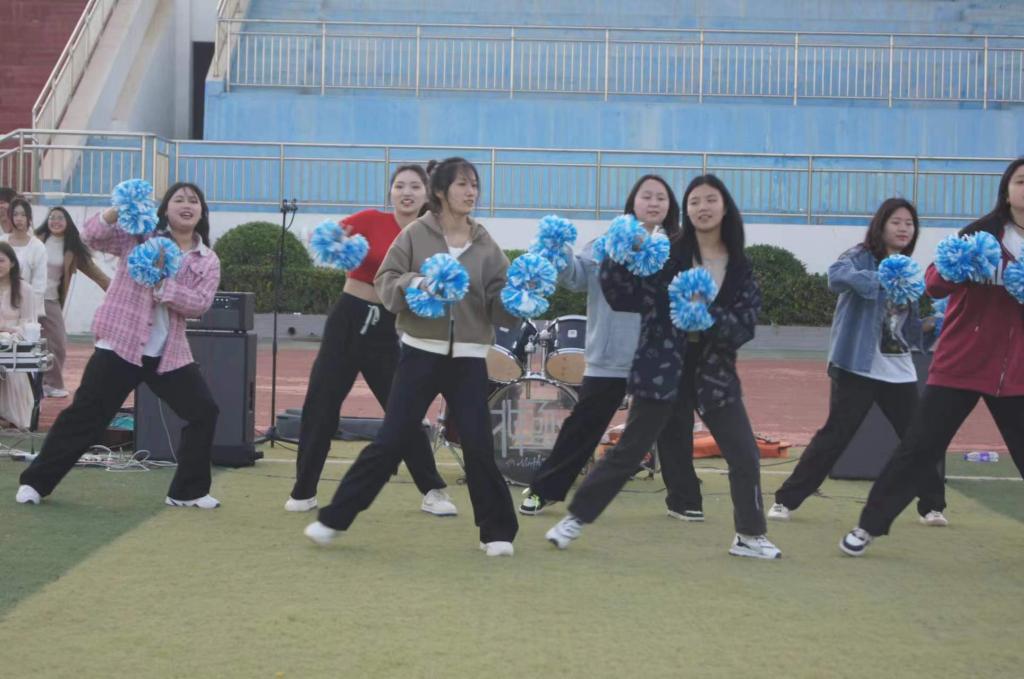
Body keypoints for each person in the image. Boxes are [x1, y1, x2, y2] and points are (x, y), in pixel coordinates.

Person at [546, 174, 782, 559]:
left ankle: (750, 535)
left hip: (713, 372)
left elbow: (745, 324)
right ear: (686, 210)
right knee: (629, 450)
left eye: (710, 200)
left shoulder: (739, 264)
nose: (702, 208)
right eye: (694, 202)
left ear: (725, 207)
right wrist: (617, 258)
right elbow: (625, 297)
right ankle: (575, 519)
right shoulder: (668, 254)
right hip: (662, 367)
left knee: (744, 452)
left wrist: (708, 318)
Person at [303, 157, 520, 556]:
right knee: (390, 441)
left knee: (478, 445)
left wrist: (518, 298)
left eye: (474, 184)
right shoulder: (415, 235)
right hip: (420, 354)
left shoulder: (486, 244)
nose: (471, 192)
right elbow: (386, 281)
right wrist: (419, 283)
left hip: (469, 358)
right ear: (440, 191)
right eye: (462, 184)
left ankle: (496, 533)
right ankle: (333, 519)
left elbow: (498, 304)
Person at [839, 157, 1024, 556]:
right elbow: (934, 285)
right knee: (919, 447)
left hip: (1017, 373)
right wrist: (958, 269)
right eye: (1021, 182)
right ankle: (868, 526)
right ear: (1006, 191)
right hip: (961, 364)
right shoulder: (979, 234)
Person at [16, 182, 223, 509]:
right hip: (119, 344)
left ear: (202, 211)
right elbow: (92, 236)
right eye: (178, 200)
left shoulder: (206, 259)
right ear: (165, 209)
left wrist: (164, 285)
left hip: (167, 354)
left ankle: (188, 492)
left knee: (204, 411)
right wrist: (119, 208)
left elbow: (200, 303)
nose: (187, 205)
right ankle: (35, 483)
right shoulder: (139, 236)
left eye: (194, 201)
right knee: (85, 416)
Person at [519, 174, 703, 521]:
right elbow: (577, 277)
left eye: (661, 198)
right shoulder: (606, 243)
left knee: (675, 426)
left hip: (661, 357)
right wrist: (558, 252)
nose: (653, 203)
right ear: (632, 202)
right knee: (583, 426)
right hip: (610, 356)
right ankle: (544, 490)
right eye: (646, 196)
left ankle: (685, 499)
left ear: (670, 207)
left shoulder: (679, 249)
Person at [286, 164, 455, 517]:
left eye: (415, 186)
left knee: (403, 409)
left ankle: (433, 490)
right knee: (321, 404)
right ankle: (304, 490)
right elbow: (322, 237)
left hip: (387, 329)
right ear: (390, 192)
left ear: (426, 194)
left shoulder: (430, 237)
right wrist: (335, 242)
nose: (406, 192)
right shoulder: (369, 220)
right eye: (399, 186)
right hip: (347, 320)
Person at [768, 198, 948, 526]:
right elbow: (835, 277)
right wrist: (881, 279)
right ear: (881, 225)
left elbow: (909, 329)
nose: (904, 228)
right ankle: (786, 500)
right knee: (836, 435)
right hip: (857, 366)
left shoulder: (909, 268)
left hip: (898, 371)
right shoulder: (858, 256)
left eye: (909, 223)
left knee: (918, 438)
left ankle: (932, 505)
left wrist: (935, 324)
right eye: (896, 222)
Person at [35, 207, 111, 398]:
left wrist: (116, 291)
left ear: (67, 222)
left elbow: (95, 273)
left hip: (50, 300)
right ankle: (27, 386)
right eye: (52, 217)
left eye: (60, 218)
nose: (55, 221)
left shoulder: (72, 249)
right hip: (28, 298)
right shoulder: (36, 239)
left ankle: (51, 384)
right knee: (25, 342)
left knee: (57, 343)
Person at [0, 241, 36, 429]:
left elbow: (29, 322)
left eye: (1, 261)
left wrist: (10, 330)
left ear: (12, 263)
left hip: (13, 342)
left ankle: (8, 415)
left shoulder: (25, 289)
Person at [2, 198, 47, 320]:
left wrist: (32, 314)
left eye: (23, 215)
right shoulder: (2, 241)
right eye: (15, 214)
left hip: (25, 306)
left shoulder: (37, 247)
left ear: (29, 218)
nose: (19, 218)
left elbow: (39, 284)